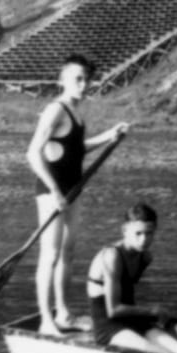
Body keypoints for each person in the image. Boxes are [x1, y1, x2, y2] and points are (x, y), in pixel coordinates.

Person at [28, 54, 129, 337]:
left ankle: (64, 313)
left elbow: (77, 151)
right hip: (52, 192)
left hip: (73, 190)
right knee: (49, 255)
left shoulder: (77, 112)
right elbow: (33, 154)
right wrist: (55, 191)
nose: (83, 85)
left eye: (87, 79)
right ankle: (46, 321)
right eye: (77, 79)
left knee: (68, 252)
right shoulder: (55, 110)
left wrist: (110, 135)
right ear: (62, 81)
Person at [85, 202, 177, 353]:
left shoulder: (145, 257)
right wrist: (152, 311)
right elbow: (113, 309)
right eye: (138, 233)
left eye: (149, 233)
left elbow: (127, 294)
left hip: (131, 321)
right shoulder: (112, 256)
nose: (144, 240)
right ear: (125, 230)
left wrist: (153, 316)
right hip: (109, 327)